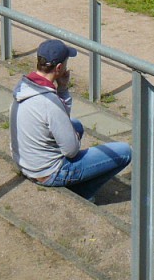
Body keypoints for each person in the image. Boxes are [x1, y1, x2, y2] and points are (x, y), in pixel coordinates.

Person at [10, 39, 131, 201]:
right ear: (59, 68)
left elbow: (59, 118)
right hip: (47, 173)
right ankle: (84, 192)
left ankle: (72, 176)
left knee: (76, 125)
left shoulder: (25, 87)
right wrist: (74, 137)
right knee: (124, 151)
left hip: (26, 162)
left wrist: (62, 89)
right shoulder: (49, 102)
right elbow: (71, 150)